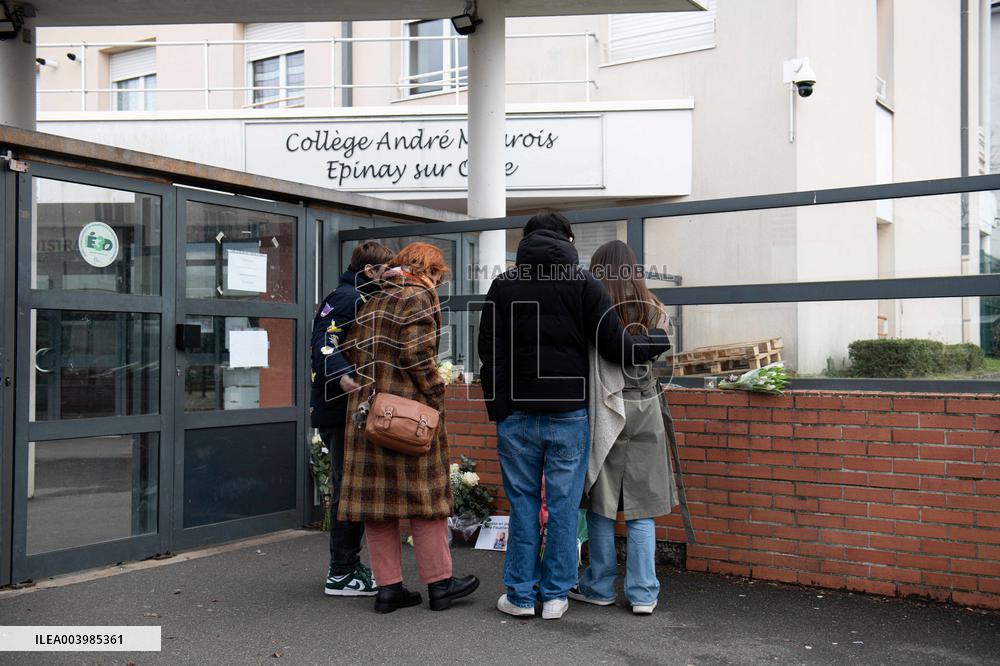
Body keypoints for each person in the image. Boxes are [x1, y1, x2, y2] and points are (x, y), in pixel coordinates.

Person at [478, 213, 671, 620]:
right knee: (565, 507)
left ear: (525, 241)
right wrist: (656, 340)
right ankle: (555, 596)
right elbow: (618, 348)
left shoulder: (503, 285)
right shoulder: (584, 284)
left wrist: (499, 410)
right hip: (568, 415)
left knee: (524, 504)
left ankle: (519, 595)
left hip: (516, 416)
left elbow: (489, 354)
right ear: (568, 239)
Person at [339, 242, 479, 613]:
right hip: (408, 415)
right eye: (437, 275)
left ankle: (389, 590)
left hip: (369, 415)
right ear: (427, 270)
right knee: (426, 501)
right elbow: (416, 354)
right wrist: (436, 392)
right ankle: (440, 585)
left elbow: (351, 349)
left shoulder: (374, 299)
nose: (437, 283)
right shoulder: (417, 296)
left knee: (377, 507)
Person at [570, 240, 679, 616]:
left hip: (605, 407)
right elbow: (661, 347)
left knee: (601, 506)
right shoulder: (655, 308)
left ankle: (599, 585)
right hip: (645, 406)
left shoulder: (593, 308)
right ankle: (643, 593)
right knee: (641, 508)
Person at [309, 241, 393, 597]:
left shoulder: (351, 294)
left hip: (343, 407)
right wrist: (343, 374)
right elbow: (324, 343)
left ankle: (347, 566)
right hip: (340, 409)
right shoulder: (347, 297)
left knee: (351, 488)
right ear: (370, 271)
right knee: (347, 491)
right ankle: (341, 572)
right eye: (387, 273)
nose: (392, 280)